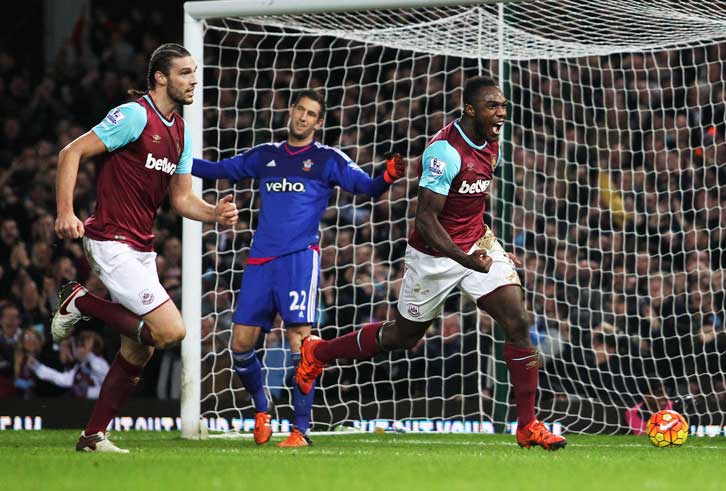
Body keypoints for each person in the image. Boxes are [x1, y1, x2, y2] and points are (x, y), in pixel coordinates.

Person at [296, 76, 567, 451]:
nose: (501, 112)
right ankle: (317, 352)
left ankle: (527, 425)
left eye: (503, 105)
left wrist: (489, 247)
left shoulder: (494, 140)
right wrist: (465, 260)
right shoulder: (444, 153)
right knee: (403, 337)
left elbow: (473, 202)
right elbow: (426, 218)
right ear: (470, 109)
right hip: (434, 256)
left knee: (518, 321)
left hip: (475, 242)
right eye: (493, 106)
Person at [51, 43, 239, 453]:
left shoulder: (181, 131)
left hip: (140, 247)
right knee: (170, 331)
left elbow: (182, 200)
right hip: (109, 240)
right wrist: (66, 212)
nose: (194, 80)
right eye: (185, 73)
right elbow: (72, 152)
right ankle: (81, 303)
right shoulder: (135, 116)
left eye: (195, 72)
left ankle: (92, 436)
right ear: (160, 77)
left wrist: (215, 214)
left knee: (139, 347)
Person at [192, 88, 406, 447]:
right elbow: (220, 169)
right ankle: (262, 409)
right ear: (291, 111)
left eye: (311, 114)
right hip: (260, 261)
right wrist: (173, 160)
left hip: (298, 260)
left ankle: (299, 429)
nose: (303, 117)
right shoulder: (266, 155)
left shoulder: (327, 160)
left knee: (300, 344)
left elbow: (365, 188)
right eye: (300, 110)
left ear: (319, 123)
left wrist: (386, 177)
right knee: (240, 345)